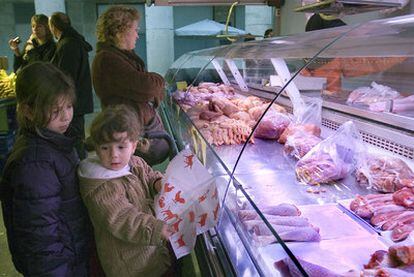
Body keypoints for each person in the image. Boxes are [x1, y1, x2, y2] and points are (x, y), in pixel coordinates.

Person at [0, 62, 91, 276]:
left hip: (72, 254)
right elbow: (40, 239)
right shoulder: (35, 164)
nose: (66, 116)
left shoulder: (53, 143)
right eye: (55, 110)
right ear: (28, 111)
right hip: (61, 267)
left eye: (68, 106)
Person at [78, 104, 176, 276]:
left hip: (148, 250)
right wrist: (156, 229)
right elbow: (122, 218)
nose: (114, 155)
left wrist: (158, 183)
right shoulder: (102, 186)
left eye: (121, 147)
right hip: (129, 264)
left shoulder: (135, 162)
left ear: (133, 145)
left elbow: (149, 174)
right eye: (105, 148)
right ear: (96, 147)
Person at [92, 5, 171, 166]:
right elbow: (148, 87)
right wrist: (159, 80)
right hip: (129, 131)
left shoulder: (122, 56)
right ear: (119, 31)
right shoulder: (107, 59)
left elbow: (146, 87)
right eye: (135, 30)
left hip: (136, 128)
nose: (137, 35)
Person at [49, 12, 94, 160]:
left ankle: (78, 173)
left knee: (74, 142)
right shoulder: (73, 41)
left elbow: (66, 77)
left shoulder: (68, 44)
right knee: (76, 140)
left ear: (53, 26)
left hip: (72, 103)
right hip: (76, 102)